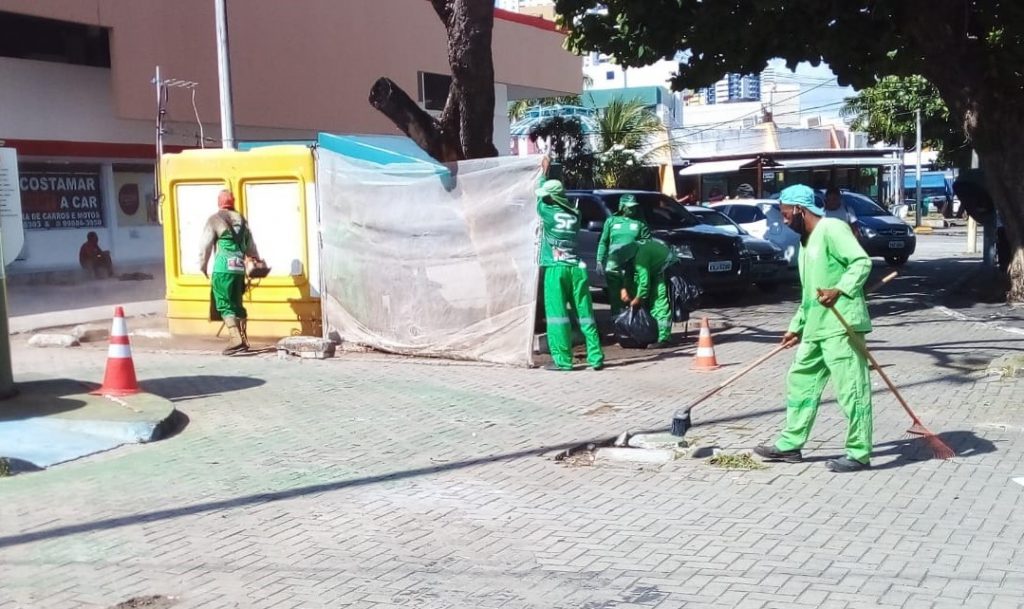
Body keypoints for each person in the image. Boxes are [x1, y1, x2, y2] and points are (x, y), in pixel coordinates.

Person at [754, 184, 874, 472]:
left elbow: (861, 262)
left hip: (842, 326)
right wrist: (796, 327)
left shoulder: (832, 228)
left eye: (785, 213)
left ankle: (859, 452)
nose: (783, 220)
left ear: (799, 209)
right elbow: (809, 294)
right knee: (800, 380)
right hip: (815, 328)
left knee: (851, 388)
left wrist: (839, 289)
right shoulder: (806, 244)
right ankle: (790, 444)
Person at [536, 176, 604, 371]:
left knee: (557, 315)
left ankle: (563, 360)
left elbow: (538, 201)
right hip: (576, 269)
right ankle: (596, 357)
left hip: (556, 269)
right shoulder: (576, 214)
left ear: (552, 197)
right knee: (585, 315)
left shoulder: (546, 211)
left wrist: (543, 174)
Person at [199, 190, 263, 355]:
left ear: (219, 202)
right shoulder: (241, 220)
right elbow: (250, 246)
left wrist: (203, 266)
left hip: (223, 268)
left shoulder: (215, 219)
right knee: (237, 303)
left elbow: (205, 246)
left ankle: (235, 340)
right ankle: (243, 340)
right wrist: (255, 260)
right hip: (239, 269)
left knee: (224, 302)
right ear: (232, 202)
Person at [608, 238, 677, 348]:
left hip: (664, 268)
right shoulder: (630, 254)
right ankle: (648, 332)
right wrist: (624, 289)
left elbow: (644, 282)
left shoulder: (640, 258)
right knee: (638, 292)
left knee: (658, 301)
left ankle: (664, 338)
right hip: (653, 268)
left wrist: (638, 298)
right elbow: (629, 274)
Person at [597, 194, 652, 317]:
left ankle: (633, 322)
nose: (633, 209)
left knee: (632, 296)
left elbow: (647, 243)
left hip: (633, 266)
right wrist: (599, 260)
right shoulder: (611, 221)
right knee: (615, 297)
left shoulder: (640, 223)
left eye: (634, 207)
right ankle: (617, 321)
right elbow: (603, 242)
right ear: (622, 207)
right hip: (613, 266)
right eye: (629, 207)